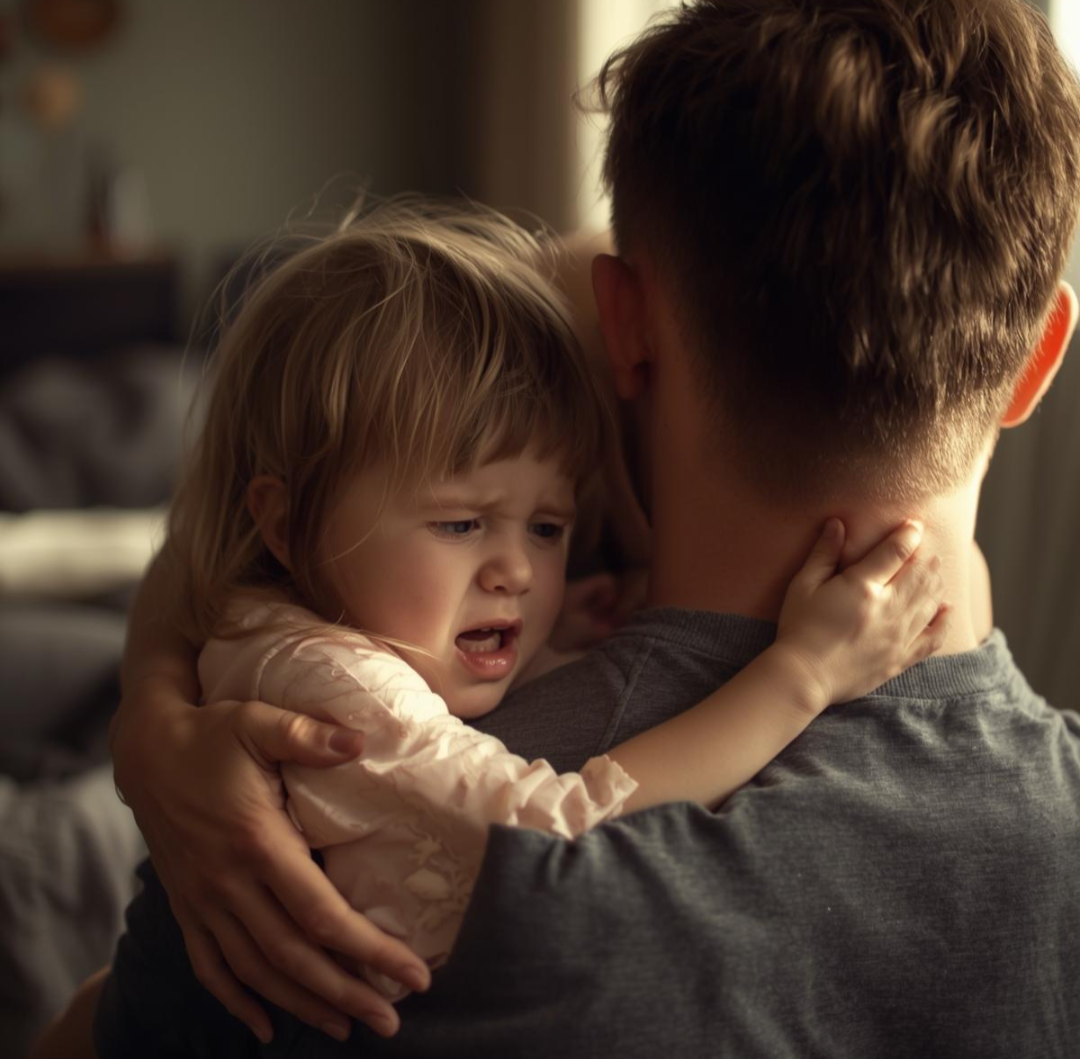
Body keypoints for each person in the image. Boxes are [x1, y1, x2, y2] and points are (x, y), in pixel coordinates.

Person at [91, 0, 1080, 1055]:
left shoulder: (312, 848)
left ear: (621, 322)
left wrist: (153, 704)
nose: (512, 565)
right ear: (1039, 359)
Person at [34, 198, 944, 1058]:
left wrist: (550, 638)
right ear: (285, 521)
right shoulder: (339, 696)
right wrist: (804, 672)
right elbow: (553, 833)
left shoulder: (327, 598)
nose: (517, 570)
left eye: (550, 531)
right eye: (462, 524)